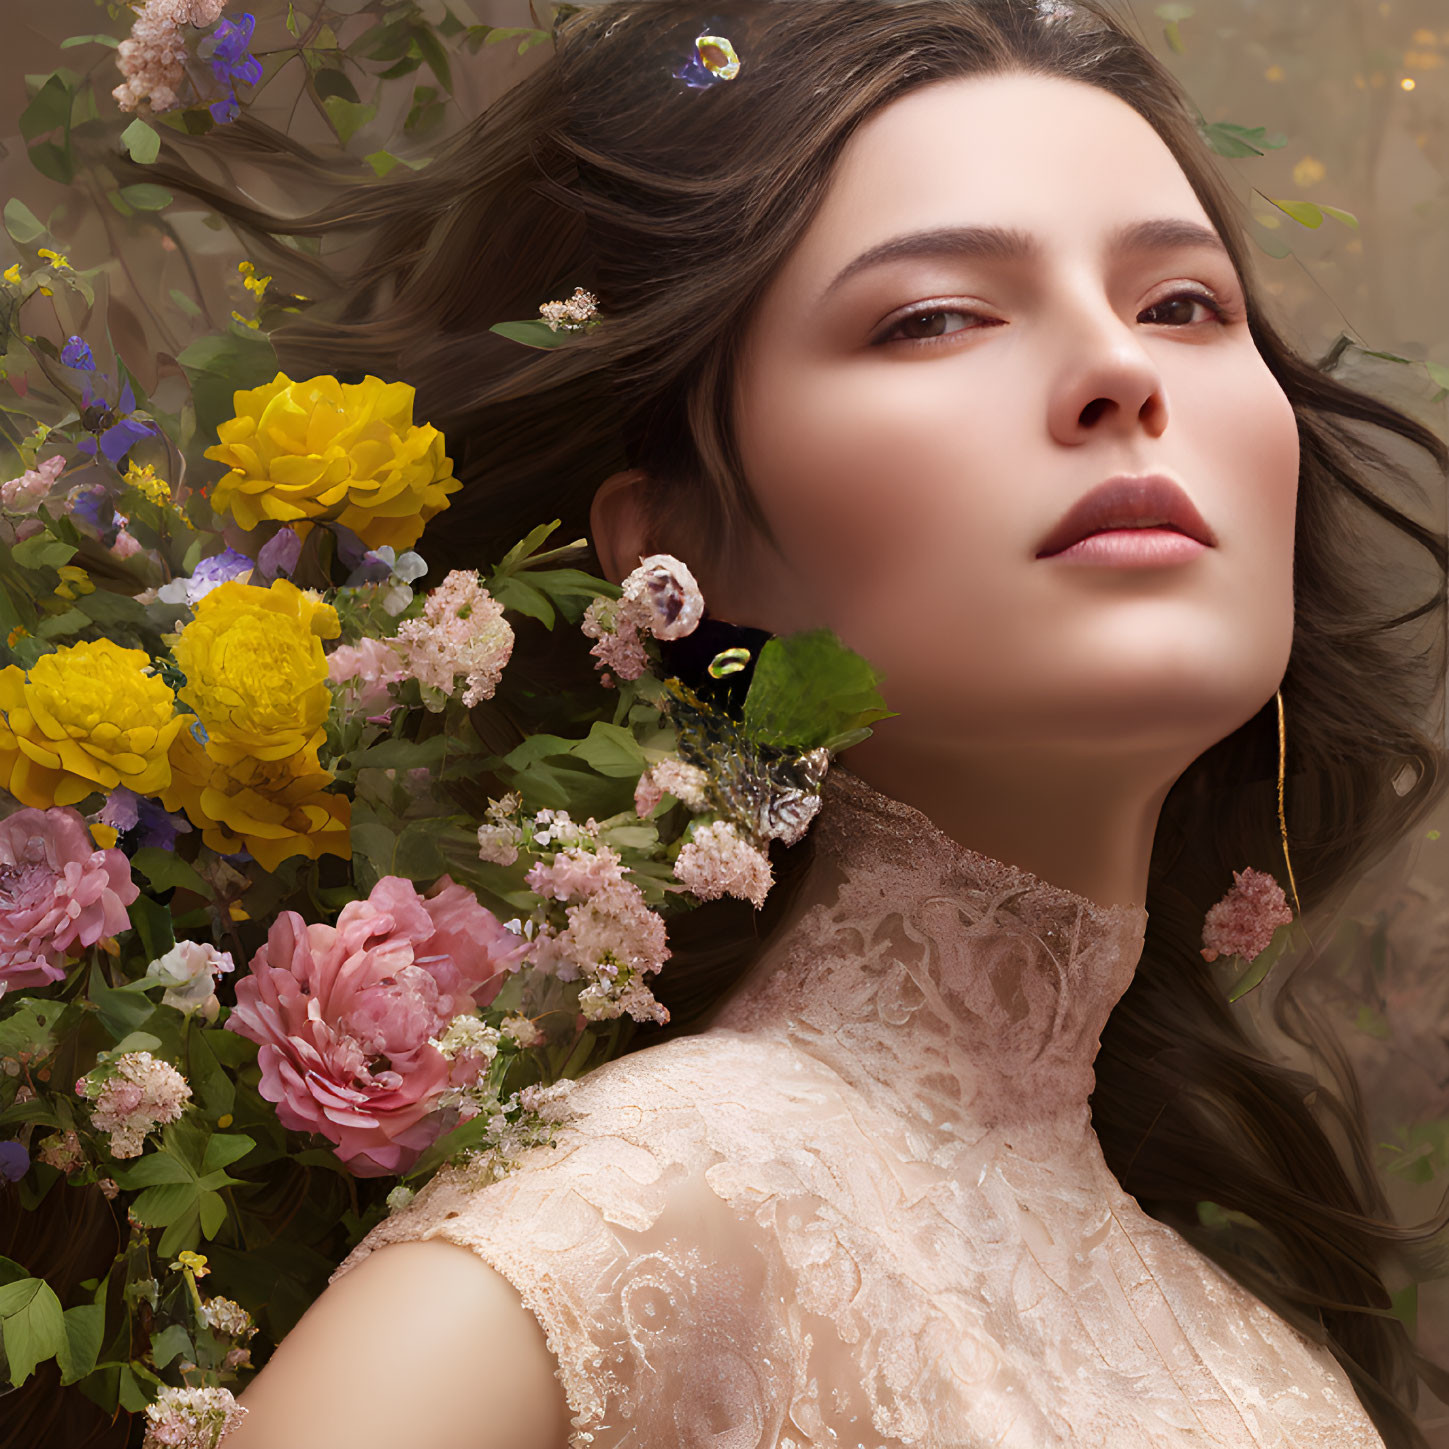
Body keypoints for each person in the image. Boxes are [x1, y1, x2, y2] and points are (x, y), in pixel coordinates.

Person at [138, 1, 1449, 1445]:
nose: (1120, 372)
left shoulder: (1266, 1371)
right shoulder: (637, 1220)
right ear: (671, 563)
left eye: (1184, 305)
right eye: (933, 315)